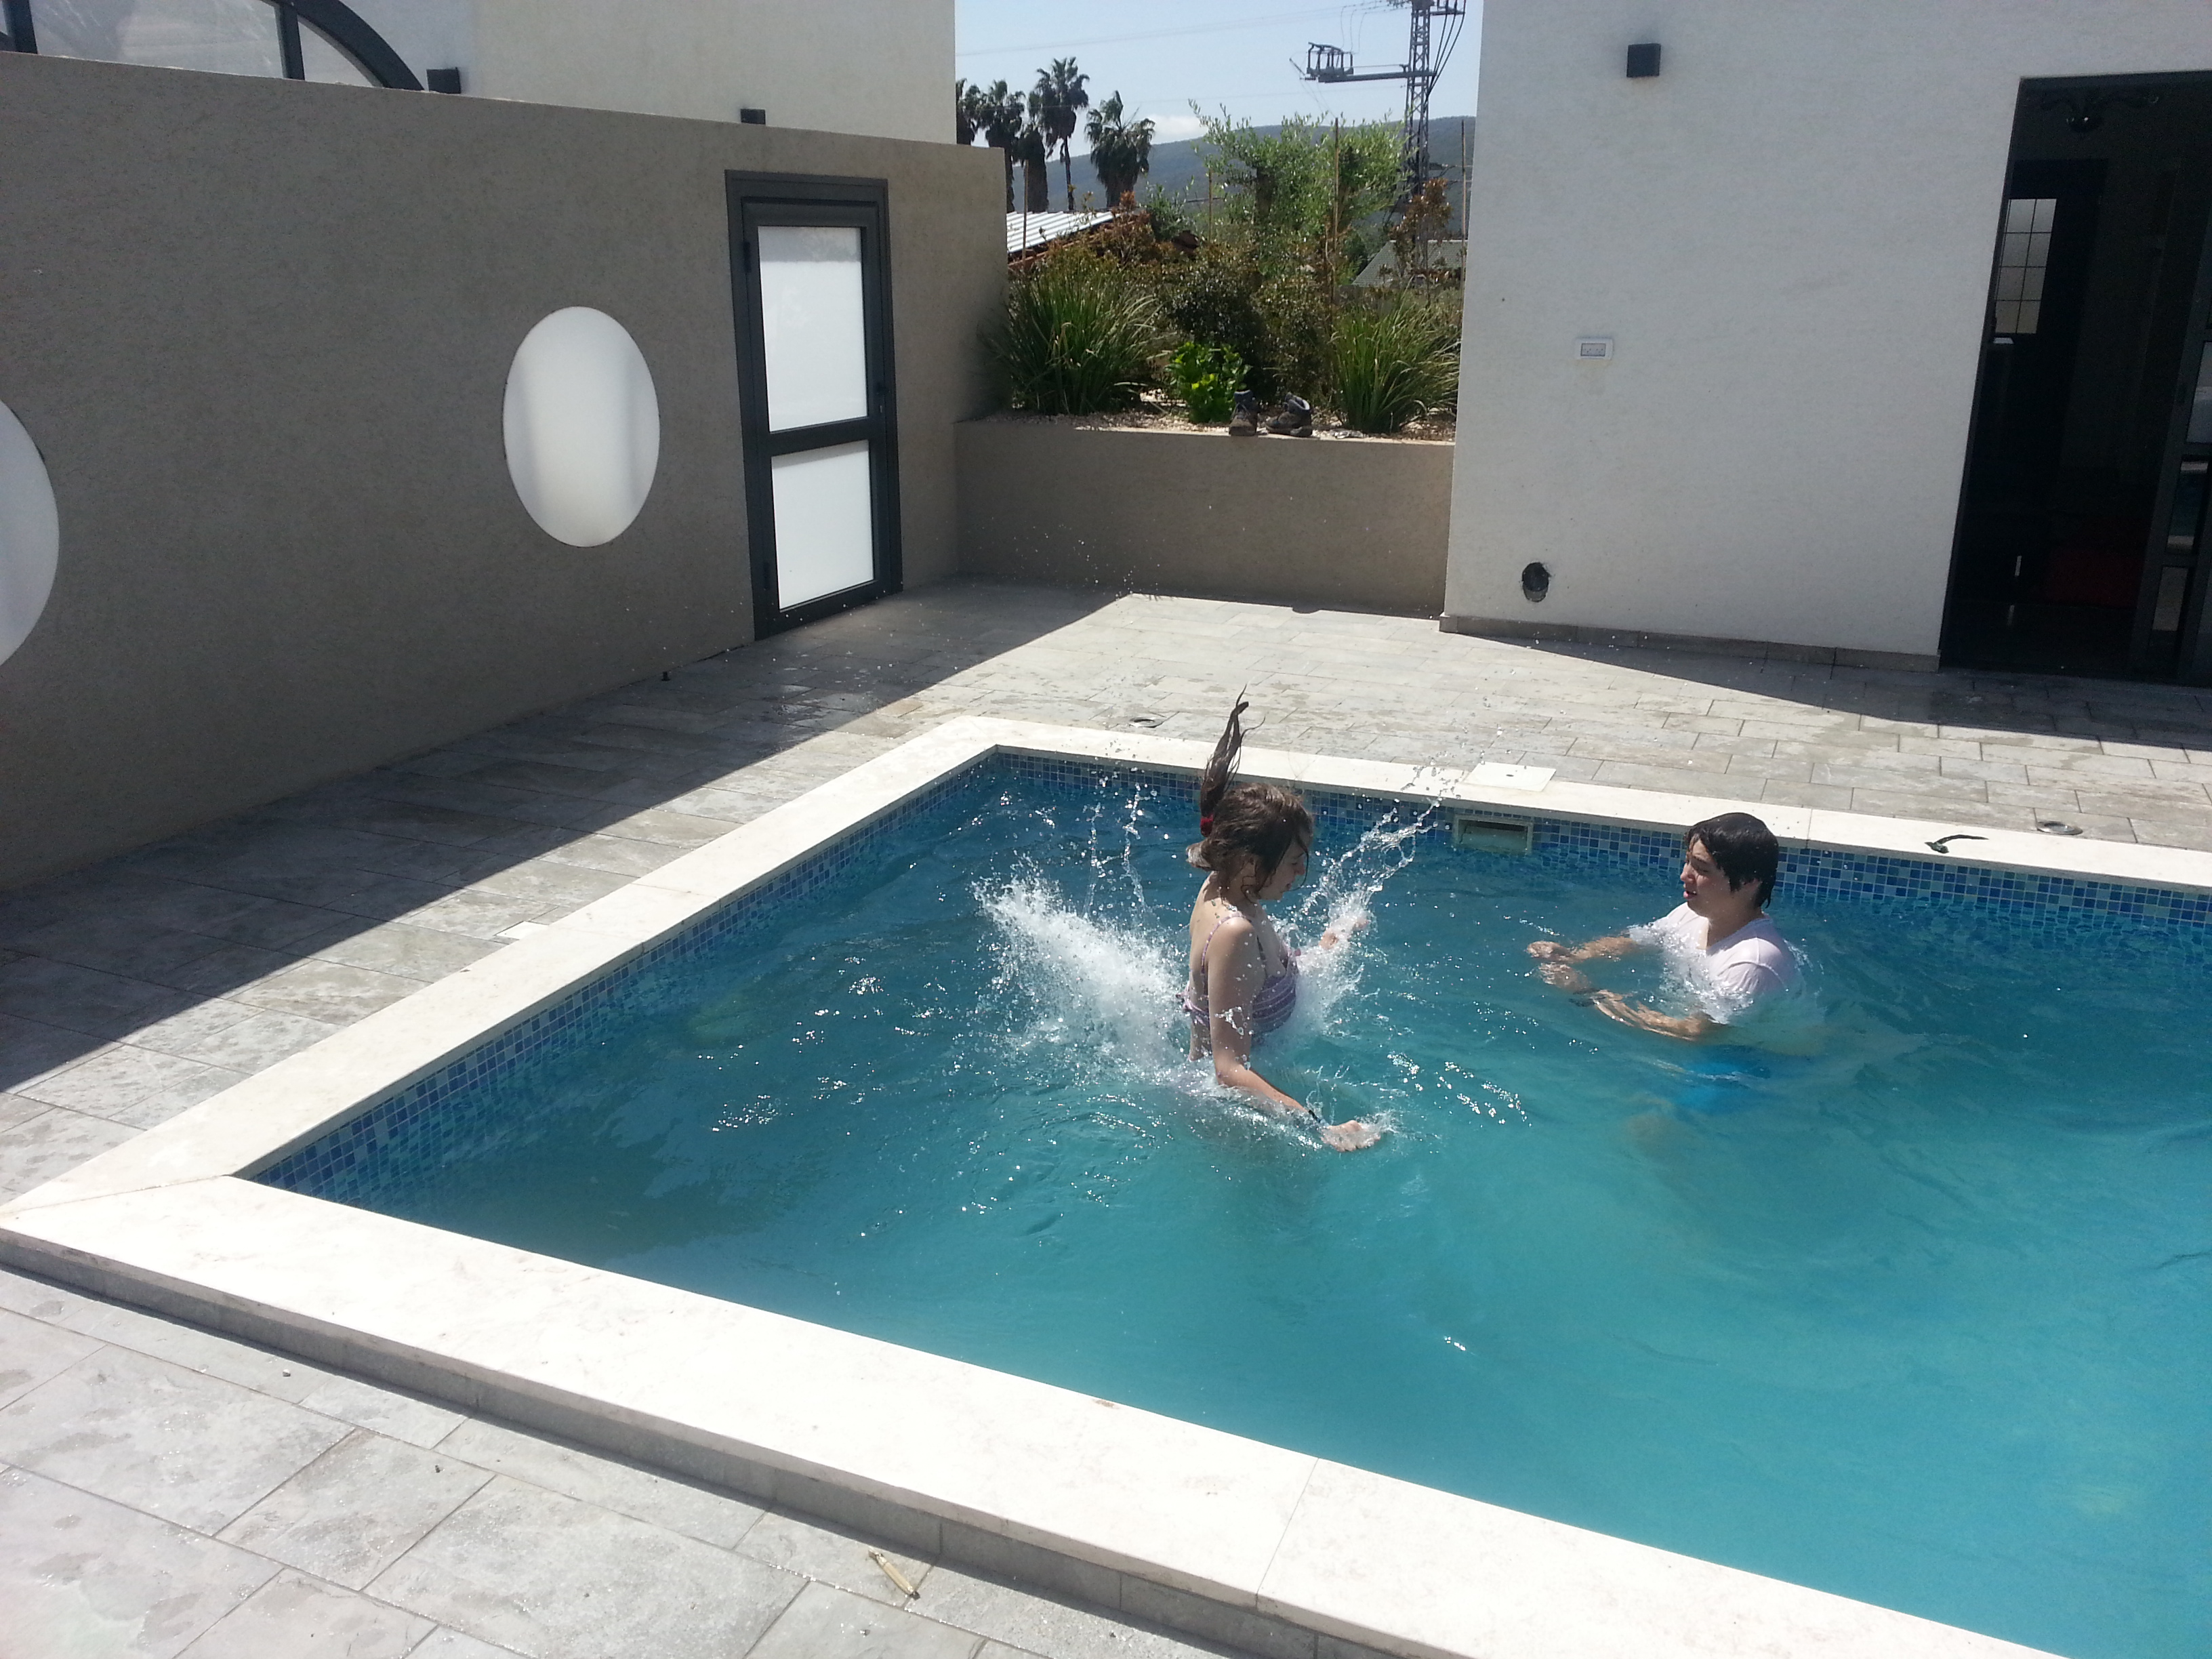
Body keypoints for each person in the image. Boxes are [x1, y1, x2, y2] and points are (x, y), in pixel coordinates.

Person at [1184, 700, 1380, 1151]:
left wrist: (1333, 941)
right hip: (1224, 1113)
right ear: (1251, 862)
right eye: (1293, 862)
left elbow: (1261, 977)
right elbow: (1228, 1070)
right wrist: (1319, 1127)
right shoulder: (1234, 933)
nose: (1301, 873)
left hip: (1261, 1071)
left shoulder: (1228, 885)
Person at [1528, 813, 1797, 1041]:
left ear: (1749, 882)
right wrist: (1577, 956)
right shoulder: (1692, 914)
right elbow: (1639, 940)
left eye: (1702, 869)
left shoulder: (1750, 962)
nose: (1684, 875)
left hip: (1754, 1061)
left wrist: (1587, 993)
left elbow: (1694, 1034)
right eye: (1688, 861)